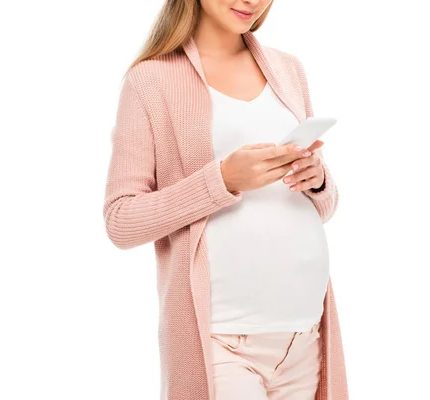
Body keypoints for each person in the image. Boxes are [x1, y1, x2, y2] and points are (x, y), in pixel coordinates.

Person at [102, 1, 348, 399]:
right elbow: (121, 220)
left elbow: (324, 207)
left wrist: (317, 181)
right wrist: (222, 180)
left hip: (305, 332)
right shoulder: (151, 81)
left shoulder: (288, 69)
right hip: (222, 340)